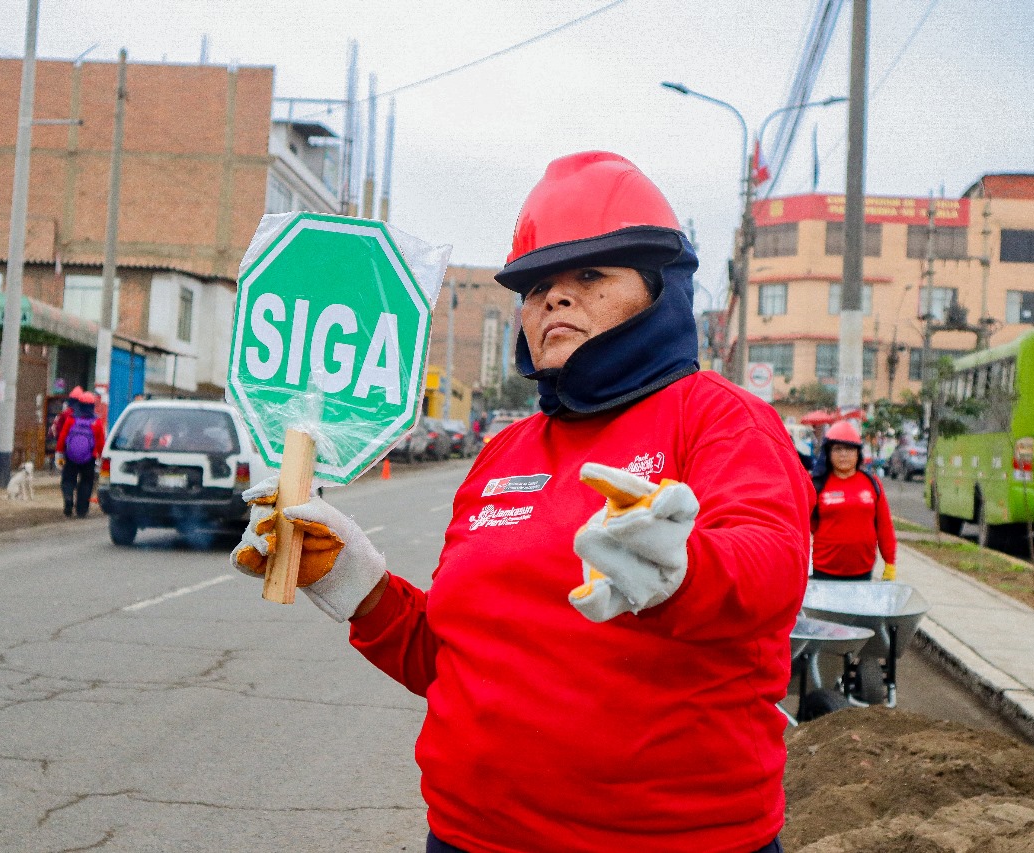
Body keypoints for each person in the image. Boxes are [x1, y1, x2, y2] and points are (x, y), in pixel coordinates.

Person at [230, 151, 813, 853]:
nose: (554, 300)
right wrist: (358, 584)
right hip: (469, 839)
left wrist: (685, 571)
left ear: (661, 289)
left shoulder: (718, 417)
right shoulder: (504, 454)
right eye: (537, 287)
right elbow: (451, 660)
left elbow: (771, 566)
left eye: (590, 275)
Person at [809, 420, 897, 582]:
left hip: (863, 571)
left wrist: (890, 562)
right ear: (828, 453)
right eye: (838, 449)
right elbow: (808, 524)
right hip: (825, 570)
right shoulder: (816, 484)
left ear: (858, 453)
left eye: (849, 449)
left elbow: (884, 526)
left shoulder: (872, 483)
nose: (843, 454)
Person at [55, 392, 105, 517]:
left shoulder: (71, 419)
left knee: (68, 479)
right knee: (86, 483)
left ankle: (68, 499)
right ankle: (81, 510)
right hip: (89, 458)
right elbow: (100, 442)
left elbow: (63, 437)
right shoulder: (96, 422)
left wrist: (60, 451)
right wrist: (101, 456)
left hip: (71, 456)